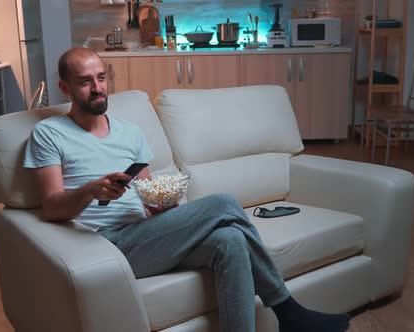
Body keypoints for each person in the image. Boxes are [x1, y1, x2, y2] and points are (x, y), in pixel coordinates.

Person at [24, 47, 350, 332]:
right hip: (105, 245)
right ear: (65, 87)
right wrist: (90, 192)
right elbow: (52, 207)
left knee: (231, 239)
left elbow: (149, 192)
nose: (98, 88)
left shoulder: (129, 132)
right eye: (85, 81)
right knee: (223, 203)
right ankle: (288, 311)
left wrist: (161, 204)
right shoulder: (49, 133)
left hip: (147, 233)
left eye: (101, 78)